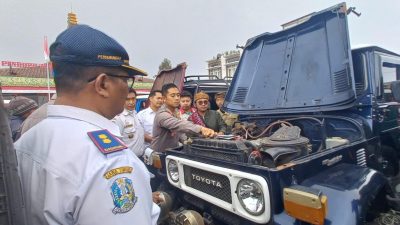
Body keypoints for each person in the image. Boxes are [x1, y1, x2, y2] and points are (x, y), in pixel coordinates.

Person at [14, 24, 160, 225]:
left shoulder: (28, 139)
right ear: (102, 84)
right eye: (127, 79)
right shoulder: (111, 163)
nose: (128, 89)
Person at [150, 83, 215, 152]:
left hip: (173, 151)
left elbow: (179, 132)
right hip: (159, 154)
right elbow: (179, 125)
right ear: (164, 98)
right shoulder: (162, 115)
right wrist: (201, 129)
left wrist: (186, 141)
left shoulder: (175, 111)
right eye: (173, 96)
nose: (177, 98)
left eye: (178, 95)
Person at [113, 89, 146, 157]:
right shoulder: (119, 118)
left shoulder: (135, 114)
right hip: (128, 160)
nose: (131, 102)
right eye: (127, 99)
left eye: (133, 99)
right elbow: (115, 144)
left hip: (140, 157)